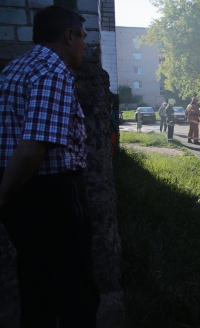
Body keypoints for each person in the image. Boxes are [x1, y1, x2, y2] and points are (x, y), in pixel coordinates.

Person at [0, 5, 99, 328]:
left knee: (36, 283)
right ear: (68, 36)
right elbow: (31, 151)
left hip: (21, 191)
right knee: (76, 288)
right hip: (53, 194)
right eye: (83, 37)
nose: (86, 44)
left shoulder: (15, 68)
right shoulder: (52, 73)